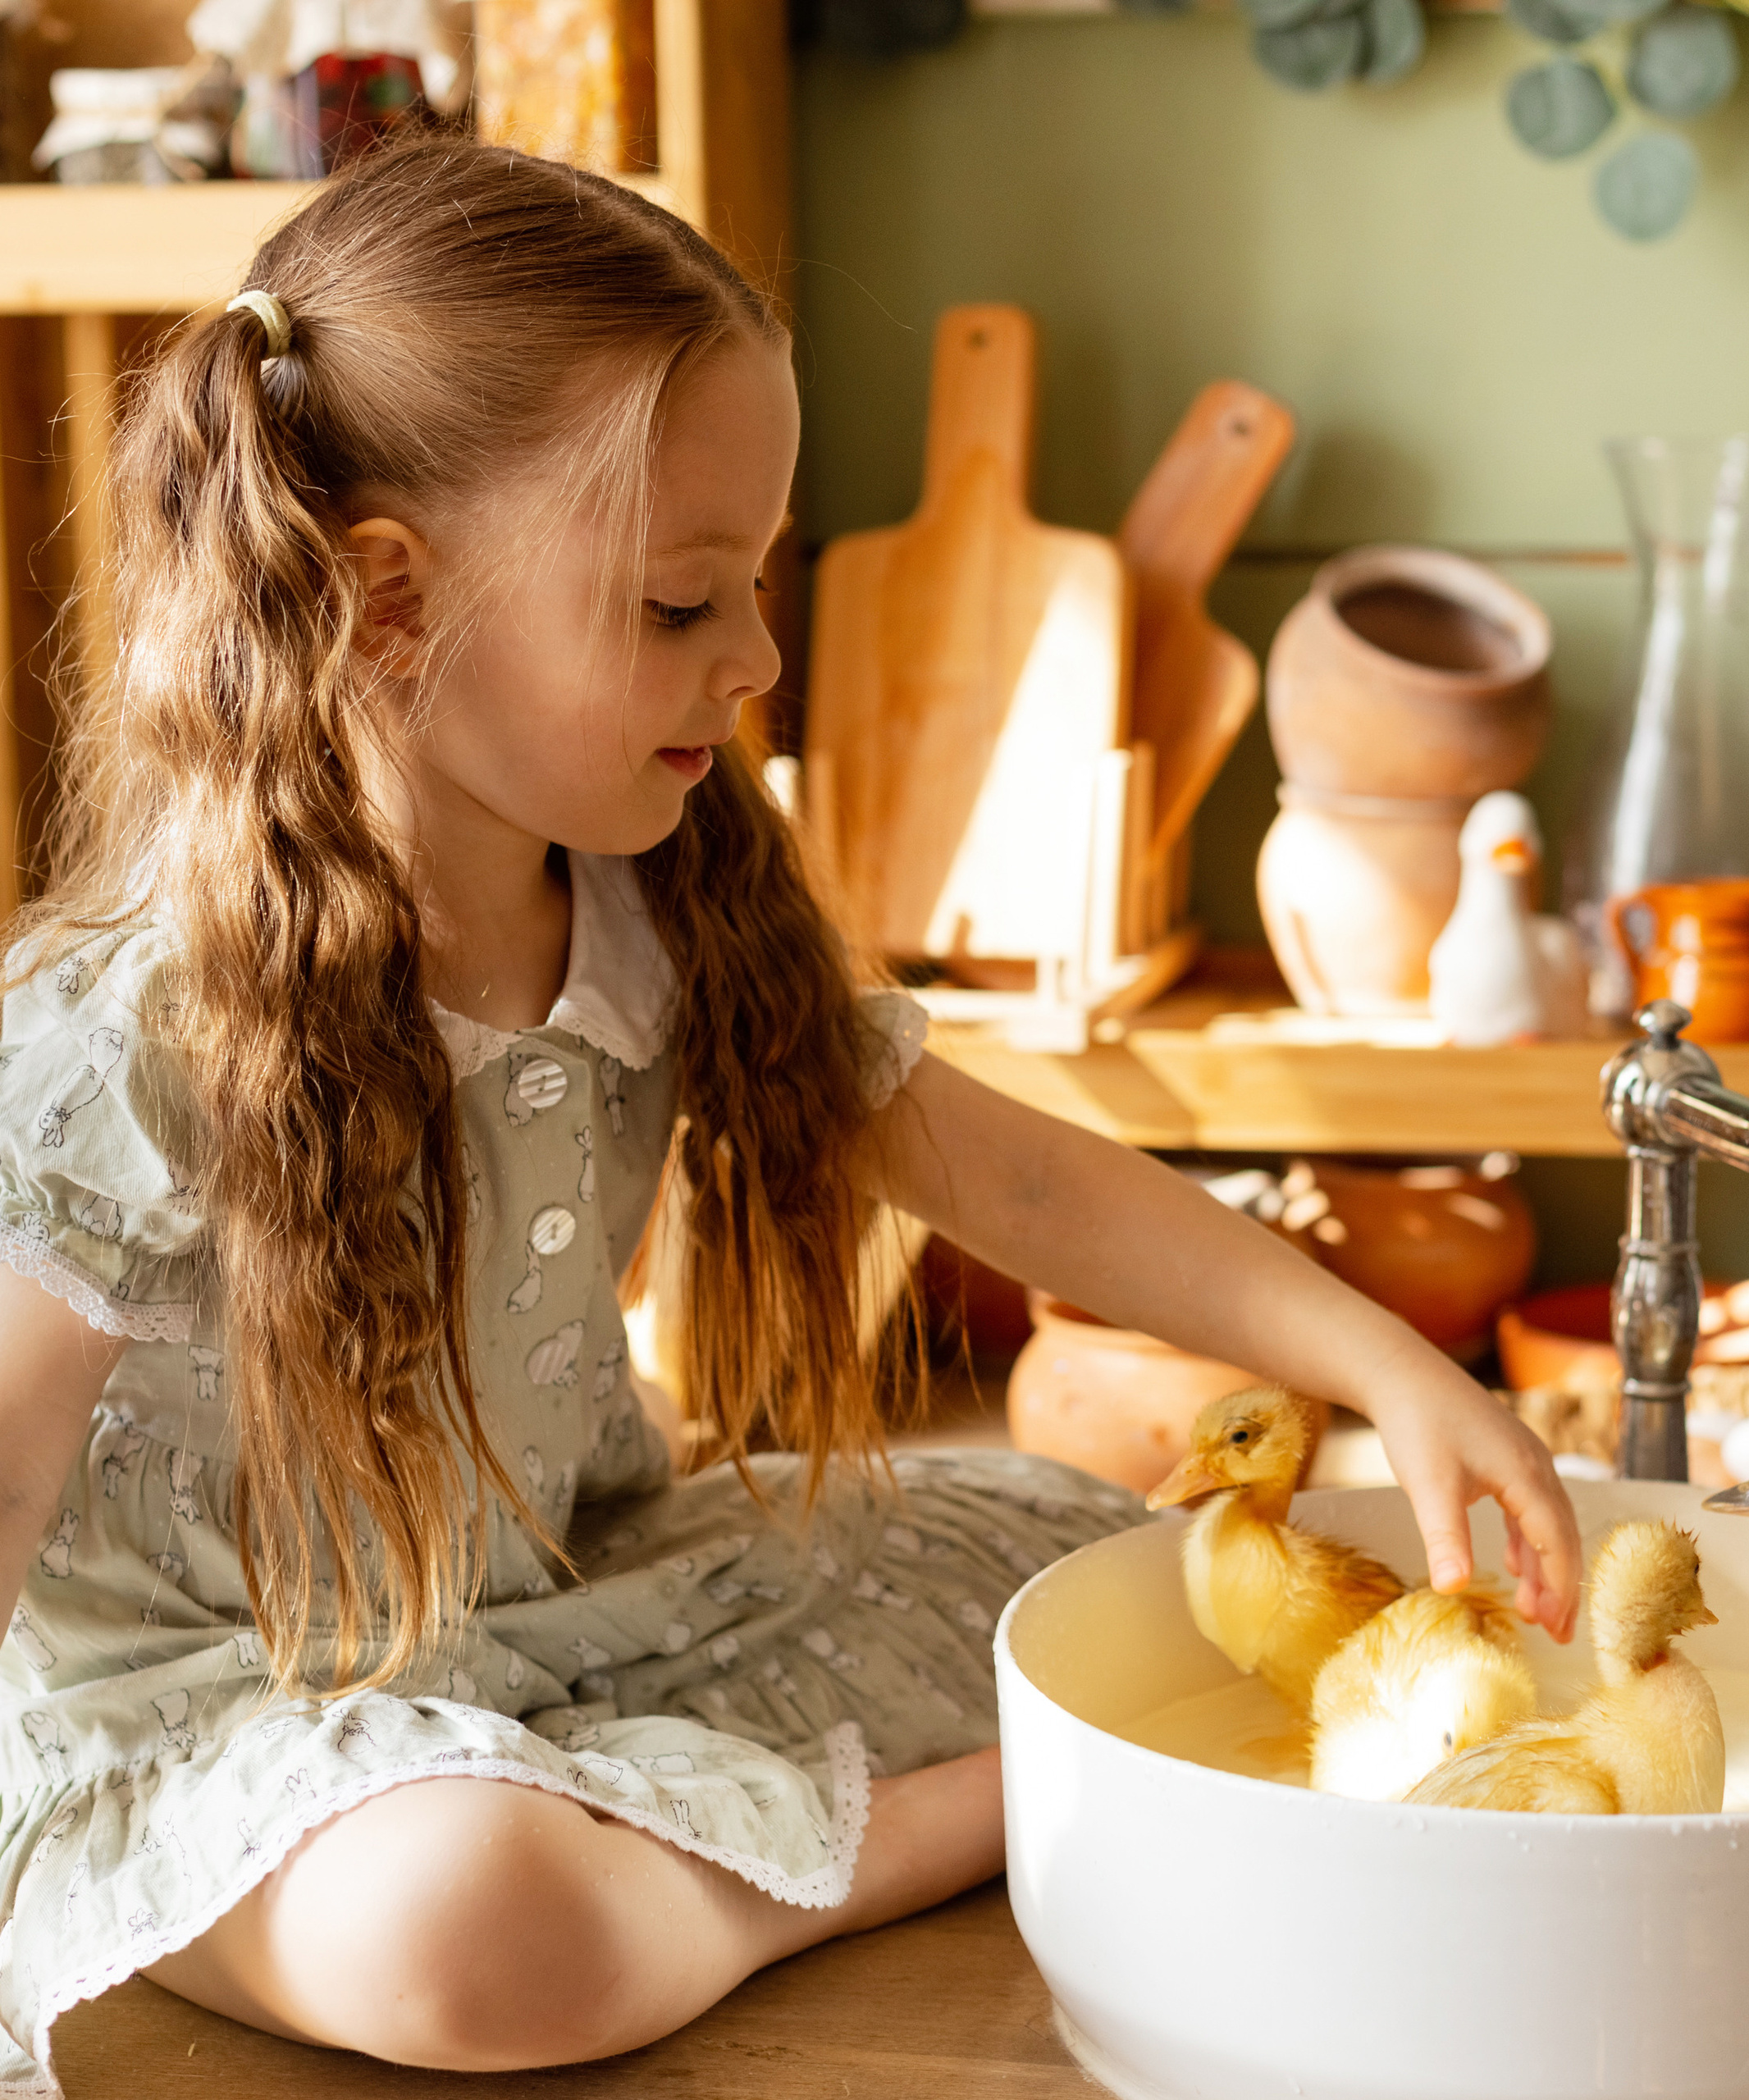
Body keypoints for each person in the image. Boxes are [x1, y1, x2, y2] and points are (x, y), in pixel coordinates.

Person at [0, 138, 1579, 2088]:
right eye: (680, 601)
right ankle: (966, 1818)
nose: (752, 658)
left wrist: (1385, 1363)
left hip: (556, 1614)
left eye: (750, 580)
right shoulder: (137, 1024)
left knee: (1106, 1572)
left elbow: (1010, 1176)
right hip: (201, 1720)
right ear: (388, 602)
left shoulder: (649, 900)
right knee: (471, 1927)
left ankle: (800, 1816)